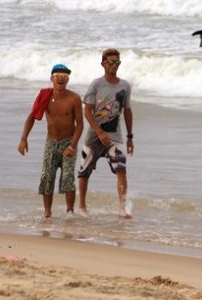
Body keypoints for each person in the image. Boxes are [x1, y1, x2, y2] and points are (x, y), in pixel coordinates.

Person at [18, 64, 83, 218]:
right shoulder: (45, 96)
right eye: (57, 76)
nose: (61, 78)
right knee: (47, 176)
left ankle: (70, 212)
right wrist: (23, 139)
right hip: (51, 142)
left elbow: (80, 124)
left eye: (64, 76)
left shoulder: (74, 98)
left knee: (68, 177)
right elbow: (32, 117)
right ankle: (47, 213)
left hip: (68, 142)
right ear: (51, 79)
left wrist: (73, 146)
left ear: (68, 80)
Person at [78, 49, 134, 218]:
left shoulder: (124, 86)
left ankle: (122, 207)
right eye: (111, 62)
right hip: (94, 136)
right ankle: (81, 206)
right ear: (103, 64)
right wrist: (100, 132)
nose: (114, 65)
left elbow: (127, 111)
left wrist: (130, 137)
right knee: (84, 171)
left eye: (117, 62)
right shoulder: (96, 84)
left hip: (115, 136)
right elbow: (87, 112)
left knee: (121, 169)